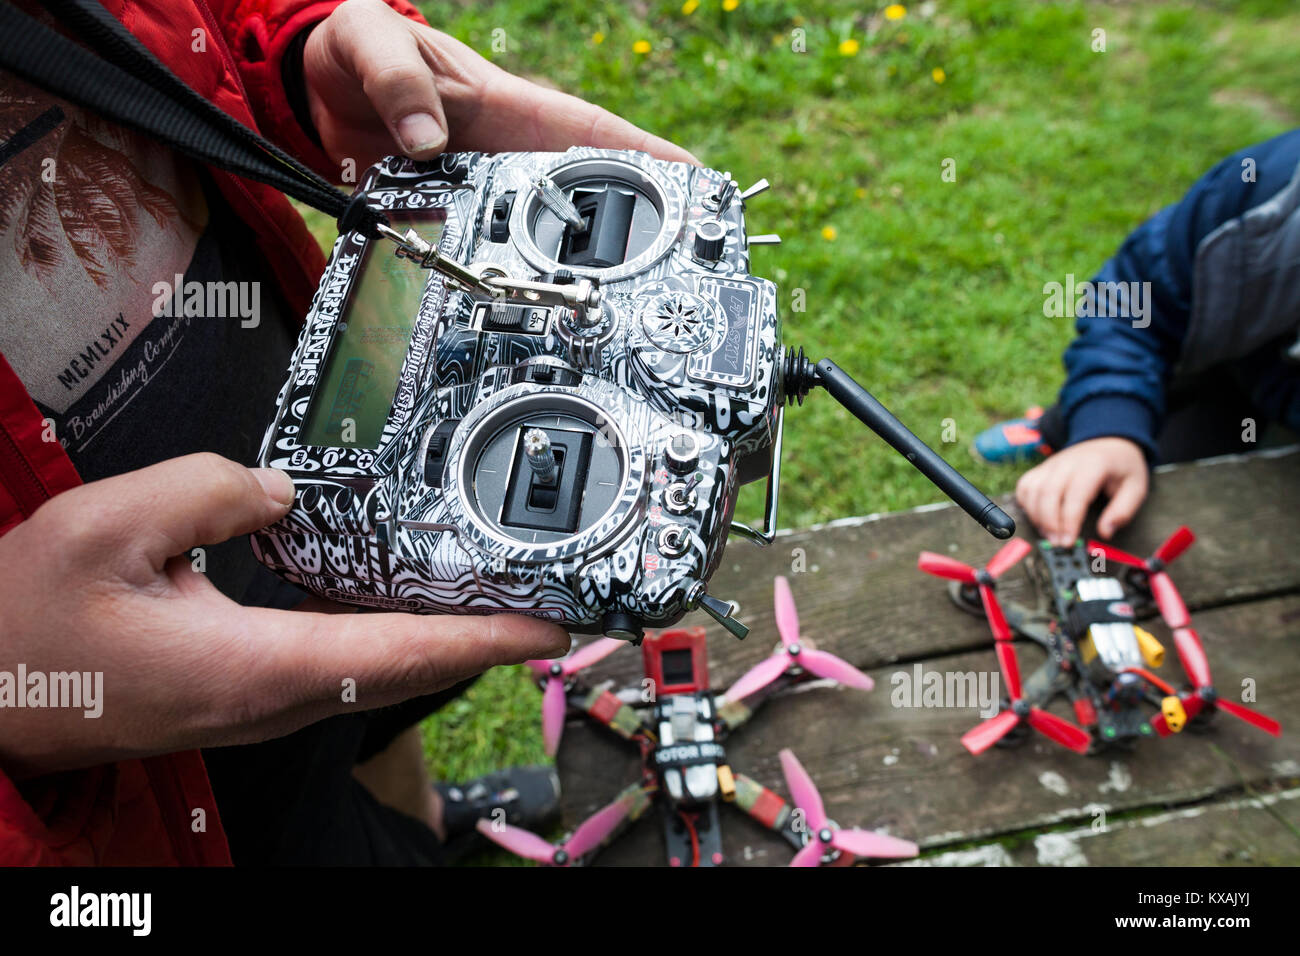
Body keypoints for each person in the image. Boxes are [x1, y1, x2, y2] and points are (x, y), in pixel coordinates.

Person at [0, 0, 693, 865]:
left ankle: (422, 823)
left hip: (346, 482)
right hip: (142, 784)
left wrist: (296, 55)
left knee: (373, 713)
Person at [972, 129, 1300, 546]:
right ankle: (1061, 430)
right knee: (1114, 471)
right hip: (1241, 368)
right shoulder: (1261, 196)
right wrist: (1108, 427)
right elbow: (1131, 299)